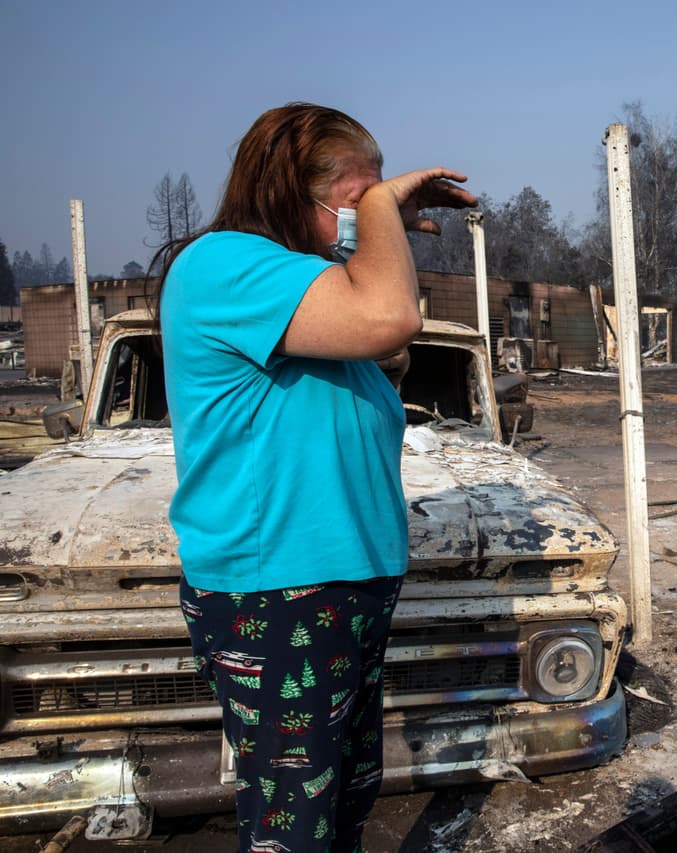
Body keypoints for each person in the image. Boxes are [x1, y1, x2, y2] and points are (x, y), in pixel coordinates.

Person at [154, 102, 477, 852]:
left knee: (340, 807)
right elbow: (392, 315)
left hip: (337, 589)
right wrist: (383, 210)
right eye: (353, 198)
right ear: (286, 192)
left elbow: (377, 352)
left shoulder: (298, 283)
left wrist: (366, 226)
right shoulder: (225, 264)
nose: (366, 213)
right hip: (281, 594)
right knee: (294, 828)